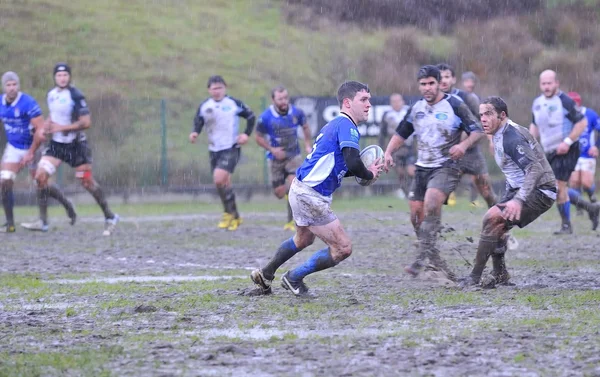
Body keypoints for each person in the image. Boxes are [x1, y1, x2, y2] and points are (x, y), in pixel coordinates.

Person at [250, 81, 384, 297]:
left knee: (302, 239)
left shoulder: (335, 125)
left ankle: (266, 273)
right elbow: (352, 160)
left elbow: (341, 167)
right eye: (364, 100)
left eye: (369, 100)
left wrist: (365, 171)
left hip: (301, 190)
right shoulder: (346, 126)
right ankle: (293, 277)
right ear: (348, 103)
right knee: (343, 248)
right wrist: (368, 174)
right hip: (309, 196)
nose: (369, 104)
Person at [384, 65, 484, 280]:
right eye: (423, 84)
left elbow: (477, 130)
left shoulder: (455, 104)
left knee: (431, 203)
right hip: (422, 167)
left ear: (439, 84)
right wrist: (388, 152)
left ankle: (420, 259)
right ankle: (435, 259)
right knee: (416, 217)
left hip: (446, 166)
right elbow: (401, 133)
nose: (427, 88)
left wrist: (463, 146)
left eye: (431, 83)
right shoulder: (417, 108)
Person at [464, 97, 556, 286]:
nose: (483, 119)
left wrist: (518, 199)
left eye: (488, 114)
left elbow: (535, 169)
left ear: (502, 115)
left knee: (491, 219)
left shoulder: (511, 137)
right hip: (517, 188)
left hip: (541, 190)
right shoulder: (498, 132)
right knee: (494, 225)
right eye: (481, 115)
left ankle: (473, 278)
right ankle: (500, 275)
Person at [22, 63, 117, 235]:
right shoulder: (51, 95)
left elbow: (86, 122)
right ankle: (48, 218)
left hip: (76, 146)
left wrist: (61, 128)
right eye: (59, 75)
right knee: (40, 178)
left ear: (69, 77)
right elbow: (54, 116)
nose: (62, 78)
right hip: (57, 146)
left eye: (65, 75)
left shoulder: (76, 95)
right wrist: (47, 126)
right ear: (54, 78)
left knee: (86, 181)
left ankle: (109, 216)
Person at [530, 70, 597, 234]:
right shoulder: (537, 103)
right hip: (550, 151)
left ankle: (566, 226)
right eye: (543, 83)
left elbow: (582, 123)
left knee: (558, 187)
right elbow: (534, 126)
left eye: (549, 83)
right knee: (555, 187)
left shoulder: (565, 101)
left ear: (556, 83)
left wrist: (567, 142)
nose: (546, 87)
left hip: (568, 149)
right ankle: (591, 208)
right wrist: (530, 144)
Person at [189, 75, 255, 231]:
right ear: (209, 90)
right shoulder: (205, 106)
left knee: (219, 179)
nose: (217, 91)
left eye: (220, 88)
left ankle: (229, 213)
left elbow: (251, 116)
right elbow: (198, 120)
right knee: (223, 183)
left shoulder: (233, 104)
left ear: (225, 88)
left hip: (231, 147)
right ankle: (234, 215)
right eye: (214, 88)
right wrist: (195, 133)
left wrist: (246, 134)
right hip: (214, 149)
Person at [0, 72, 55, 233]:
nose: (11, 88)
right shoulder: (1, 103)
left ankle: (59, 209)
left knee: (40, 181)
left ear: (18, 85)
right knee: (4, 182)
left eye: (14, 85)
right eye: (8, 85)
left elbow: (41, 130)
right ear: (4, 87)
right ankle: (10, 224)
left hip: (33, 146)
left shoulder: (27, 102)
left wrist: (31, 152)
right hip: (14, 147)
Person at [437, 63, 497, 209]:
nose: (443, 80)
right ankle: (432, 228)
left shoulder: (468, 98)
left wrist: (491, 140)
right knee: (436, 194)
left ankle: (500, 225)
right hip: (446, 154)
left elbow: (484, 122)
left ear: (453, 79)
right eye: (440, 77)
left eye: (447, 77)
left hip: (471, 153)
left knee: (486, 191)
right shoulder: (431, 101)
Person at [255, 86, 312, 231]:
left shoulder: (297, 113)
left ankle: (292, 221)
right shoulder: (266, 117)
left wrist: (307, 144)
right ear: (273, 100)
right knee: (280, 193)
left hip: (294, 155)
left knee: (294, 185)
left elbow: (305, 127)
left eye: (286, 98)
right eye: (280, 99)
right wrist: (272, 149)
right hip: (275, 159)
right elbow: (258, 138)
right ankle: (290, 195)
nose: (284, 101)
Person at [566, 92, 600, 216]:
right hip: (572, 154)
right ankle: (580, 206)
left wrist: (596, 147)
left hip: (587, 154)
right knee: (574, 181)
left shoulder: (590, 114)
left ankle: (592, 197)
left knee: (586, 182)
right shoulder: (566, 116)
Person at [379, 93, 415, 198]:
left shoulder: (409, 112)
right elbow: (382, 133)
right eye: (393, 102)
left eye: (398, 101)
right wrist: (382, 149)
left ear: (403, 101)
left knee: (411, 171)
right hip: (395, 150)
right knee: (400, 173)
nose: (396, 104)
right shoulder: (387, 115)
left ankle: (413, 191)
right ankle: (406, 193)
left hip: (409, 148)